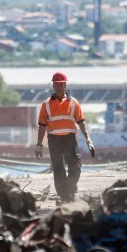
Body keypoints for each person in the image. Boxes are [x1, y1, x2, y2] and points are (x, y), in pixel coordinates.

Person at [35, 71, 95, 203]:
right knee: (58, 169)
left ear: (65, 85)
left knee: (76, 167)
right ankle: (65, 197)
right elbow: (42, 125)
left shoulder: (73, 103)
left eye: (61, 84)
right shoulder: (46, 105)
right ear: (53, 86)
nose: (58, 86)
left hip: (70, 139)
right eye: (56, 84)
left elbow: (81, 122)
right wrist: (39, 144)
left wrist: (88, 139)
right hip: (54, 140)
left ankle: (70, 188)